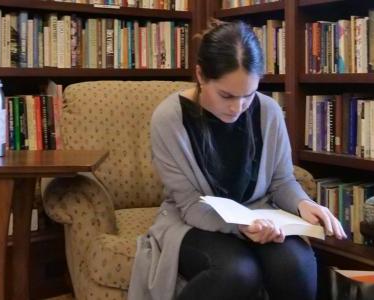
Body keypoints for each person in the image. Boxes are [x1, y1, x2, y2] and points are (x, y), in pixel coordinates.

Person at [128, 20, 346, 300]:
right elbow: (189, 204)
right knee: (237, 271)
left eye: (248, 95)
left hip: (260, 214)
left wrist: (304, 204)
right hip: (192, 221)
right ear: (200, 75)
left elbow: (282, 181)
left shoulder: (269, 112)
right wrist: (242, 227)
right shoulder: (169, 119)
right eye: (226, 95)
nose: (237, 108)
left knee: (296, 265)